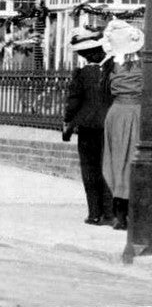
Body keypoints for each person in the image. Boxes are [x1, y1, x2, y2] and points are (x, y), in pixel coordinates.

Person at [63, 26, 114, 225]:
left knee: (89, 169)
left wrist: (68, 120)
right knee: (107, 168)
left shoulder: (82, 74)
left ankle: (94, 213)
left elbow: (73, 102)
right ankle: (109, 214)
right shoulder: (113, 70)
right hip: (109, 125)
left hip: (87, 126)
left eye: (84, 53)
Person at [102, 18, 144, 231]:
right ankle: (134, 212)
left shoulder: (110, 64)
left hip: (116, 113)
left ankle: (119, 214)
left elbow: (103, 92)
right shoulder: (143, 64)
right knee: (136, 160)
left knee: (117, 160)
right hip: (137, 112)